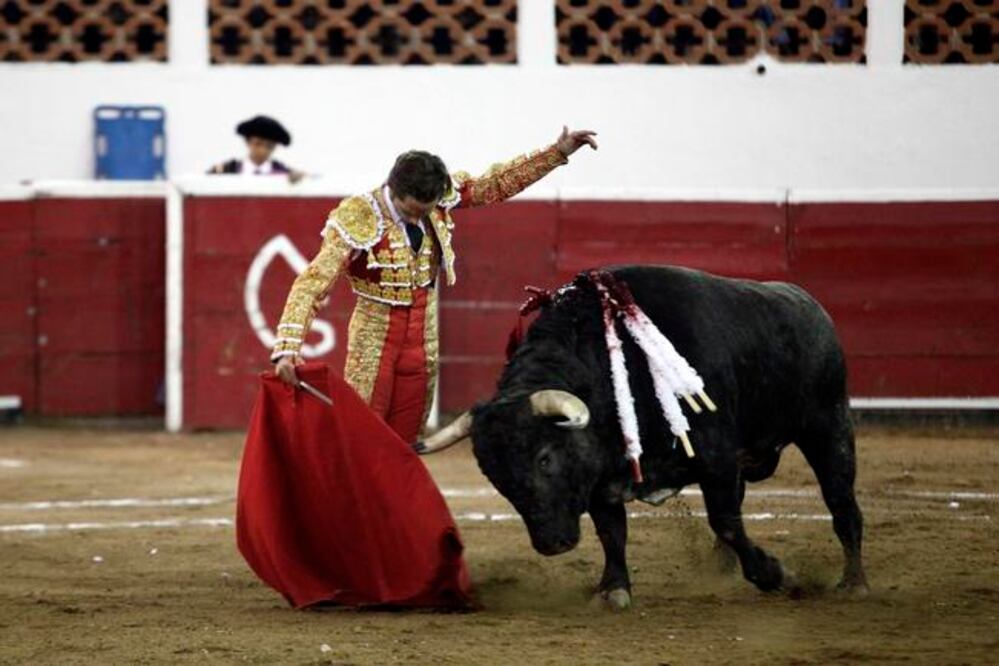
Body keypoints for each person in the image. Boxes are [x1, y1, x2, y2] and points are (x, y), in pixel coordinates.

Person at [270, 126, 598, 444]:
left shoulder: (440, 197)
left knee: (408, 440)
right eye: (410, 211)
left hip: (423, 343)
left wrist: (558, 152)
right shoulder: (358, 216)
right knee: (362, 436)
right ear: (393, 190)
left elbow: (496, 184)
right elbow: (312, 283)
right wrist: (288, 347)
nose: (417, 219)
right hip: (373, 342)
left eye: (424, 211)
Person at [209, 115, 305, 183]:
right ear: (248, 142)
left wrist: (302, 181)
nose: (262, 150)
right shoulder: (227, 171)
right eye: (258, 144)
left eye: (269, 146)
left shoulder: (284, 174)